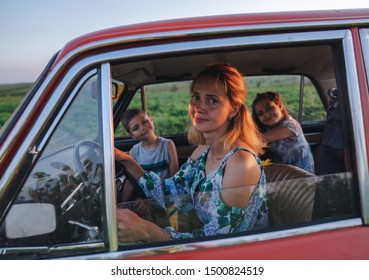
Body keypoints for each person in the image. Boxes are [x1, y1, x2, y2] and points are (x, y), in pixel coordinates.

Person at [115, 63, 269, 243]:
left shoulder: (241, 162)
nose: (199, 107)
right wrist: (126, 160)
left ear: (233, 108)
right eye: (196, 97)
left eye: (212, 100)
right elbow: (170, 191)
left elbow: (219, 242)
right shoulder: (204, 150)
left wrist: (150, 231)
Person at [251, 91, 315, 173]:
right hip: (283, 175)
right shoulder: (268, 129)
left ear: (280, 106)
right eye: (260, 113)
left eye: (269, 108)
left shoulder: (291, 125)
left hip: (302, 178)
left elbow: (259, 139)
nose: (266, 114)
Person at [121, 108, 179, 180]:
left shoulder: (168, 145)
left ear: (151, 119)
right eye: (136, 128)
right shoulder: (134, 152)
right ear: (132, 135)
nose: (143, 128)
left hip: (166, 190)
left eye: (144, 122)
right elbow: (132, 180)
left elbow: (175, 178)